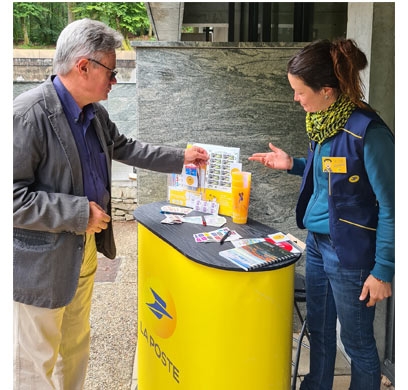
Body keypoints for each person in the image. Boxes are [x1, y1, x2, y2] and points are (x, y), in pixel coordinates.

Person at [13, 18, 209, 389]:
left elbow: (125, 147)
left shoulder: (94, 112)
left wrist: (180, 157)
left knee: (75, 346)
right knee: (35, 363)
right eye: (111, 71)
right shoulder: (27, 116)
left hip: (82, 249)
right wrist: (79, 212)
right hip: (40, 263)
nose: (115, 80)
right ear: (83, 66)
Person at [249, 39, 394, 390]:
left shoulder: (367, 133)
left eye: (299, 91)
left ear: (326, 90)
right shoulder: (323, 124)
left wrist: (383, 270)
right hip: (316, 243)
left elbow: (393, 205)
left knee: (358, 343)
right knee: (319, 329)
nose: (296, 99)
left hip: (351, 253)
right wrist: (293, 165)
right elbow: (333, 178)